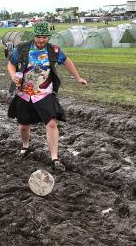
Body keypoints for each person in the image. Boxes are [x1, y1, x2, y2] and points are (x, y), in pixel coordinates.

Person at [7, 22, 87, 171]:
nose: (41, 40)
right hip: (24, 93)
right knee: (24, 125)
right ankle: (25, 146)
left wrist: (78, 78)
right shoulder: (22, 48)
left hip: (44, 93)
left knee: (51, 123)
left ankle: (54, 157)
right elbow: (11, 64)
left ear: (48, 37)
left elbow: (67, 61)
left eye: (44, 37)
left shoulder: (54, 50)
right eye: (38, 37)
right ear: (34, 36)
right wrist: (13, 75)